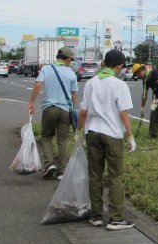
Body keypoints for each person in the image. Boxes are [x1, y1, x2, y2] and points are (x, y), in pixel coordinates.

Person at [78, 49, 137, 230]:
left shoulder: (91, 83)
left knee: (95, 175)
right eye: (121, 67)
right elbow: (123, 113)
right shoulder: (119, 85)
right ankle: (116, 218)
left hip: (92, 132)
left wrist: (78, 131)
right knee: (115, 176)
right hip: (112, 134)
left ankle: (95, 216)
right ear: (119, 66)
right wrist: (130, 136)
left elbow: (83, 111)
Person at [27, 46, 79, 179]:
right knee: (62, 139)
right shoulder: (71, 73)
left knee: (46, 137)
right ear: (67, 59)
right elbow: (74, 94)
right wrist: (73, 109)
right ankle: (62, 171)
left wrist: (31, 102)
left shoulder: (46, 69)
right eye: (70, 60)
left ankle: (49, 164)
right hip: (65, 110)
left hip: (49, 108)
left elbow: (38, 85)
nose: (70, 62)